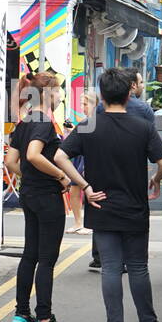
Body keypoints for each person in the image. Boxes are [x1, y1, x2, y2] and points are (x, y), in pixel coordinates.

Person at [55, 68, 162, 322]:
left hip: (101, 205)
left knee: (110, 267)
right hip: (134, 205)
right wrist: (155, 180)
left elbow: (60, 156)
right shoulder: (142, 126)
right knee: (138, 266)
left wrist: (85, 186)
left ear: (102, 95)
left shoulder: (89, 124)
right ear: (129, 92)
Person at [4, 73, 79, 322]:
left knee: (30, 255)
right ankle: (45, 319)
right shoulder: (44, 122)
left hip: (30, 195)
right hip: (47, 198)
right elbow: (33, 155)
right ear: (47, 94)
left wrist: (32, 177)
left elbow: (12, 162)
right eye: (59, 92)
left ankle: (22, 313)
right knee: (47, 259)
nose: (61, 97)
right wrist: (60, 176)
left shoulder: (24, 122)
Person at [90, 68, 154, 272]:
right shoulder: (144, 110)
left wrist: (83, 183)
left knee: (102, 204)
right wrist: (158, 177)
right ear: (130, 88)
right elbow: (158, 154)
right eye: (140, 82)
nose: (142, 86)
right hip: (134, 170)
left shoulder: (100, 110)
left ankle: (100, 256)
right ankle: (127, 257)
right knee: (138, 266)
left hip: (104, 169)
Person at [66, 91, 99, 233]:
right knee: (74, 189)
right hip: (80, 158)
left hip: (89, 158)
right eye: (82, 104)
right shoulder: (85, 121)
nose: (83, 107)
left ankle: (88, 224)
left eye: (85, 104)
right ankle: (78, 221)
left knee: (88, 190)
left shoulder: (97, 121)